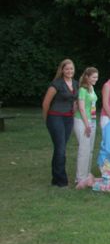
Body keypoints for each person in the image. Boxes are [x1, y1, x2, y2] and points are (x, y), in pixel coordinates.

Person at [42, 59, 79, 187]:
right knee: (61, 149)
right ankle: (62, 181)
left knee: (59, 148)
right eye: (67, 69)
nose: (69, 71)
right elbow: (46, 103)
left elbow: (75, 101)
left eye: (71, 69)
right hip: (55, 117)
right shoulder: (56, 84)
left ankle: (55, 179)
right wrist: (46, 120)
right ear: (62, 70)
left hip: (68, 119)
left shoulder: (75, 83)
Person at [74, 67, 99, 189]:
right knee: (84, 149)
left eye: (97, 77)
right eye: (93, 77)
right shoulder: (82, 90)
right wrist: (87, 124)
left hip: (92, 120)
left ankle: (86, 173)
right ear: (87, 77)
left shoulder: (91, 88)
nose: (96, 79)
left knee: (90, 149)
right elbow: (82, 108)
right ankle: (80, 177)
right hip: (82, 121)